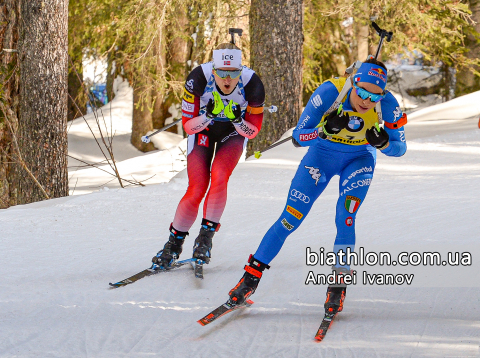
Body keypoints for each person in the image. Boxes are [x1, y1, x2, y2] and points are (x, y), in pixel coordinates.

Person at [227, 58, 407, 317]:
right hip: (321, 157)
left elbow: (400, 149)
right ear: (353, 81)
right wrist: (323, 130)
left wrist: (383, 144)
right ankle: (248, 281)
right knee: (290, 219)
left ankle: (337, 286)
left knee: (346, 217)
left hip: (359, 159)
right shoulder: (330, 92)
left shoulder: (388, 104)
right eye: (362, 91)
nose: (367, 100)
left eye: (374, 95)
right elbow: (299, 137)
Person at [152, 41, 265, 269]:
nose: (227, 79)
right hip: (202, 131)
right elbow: (188, 126)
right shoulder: (198, 78)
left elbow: (252, 132)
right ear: (213, 70)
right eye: (222, 72)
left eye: (232, 73)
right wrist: (208, 116)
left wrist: (236, 120)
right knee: (197, 188)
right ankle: (173, 243)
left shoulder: (252, 83)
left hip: (232, 134)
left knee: (220, 175)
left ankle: (205, 239)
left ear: (240, 71)